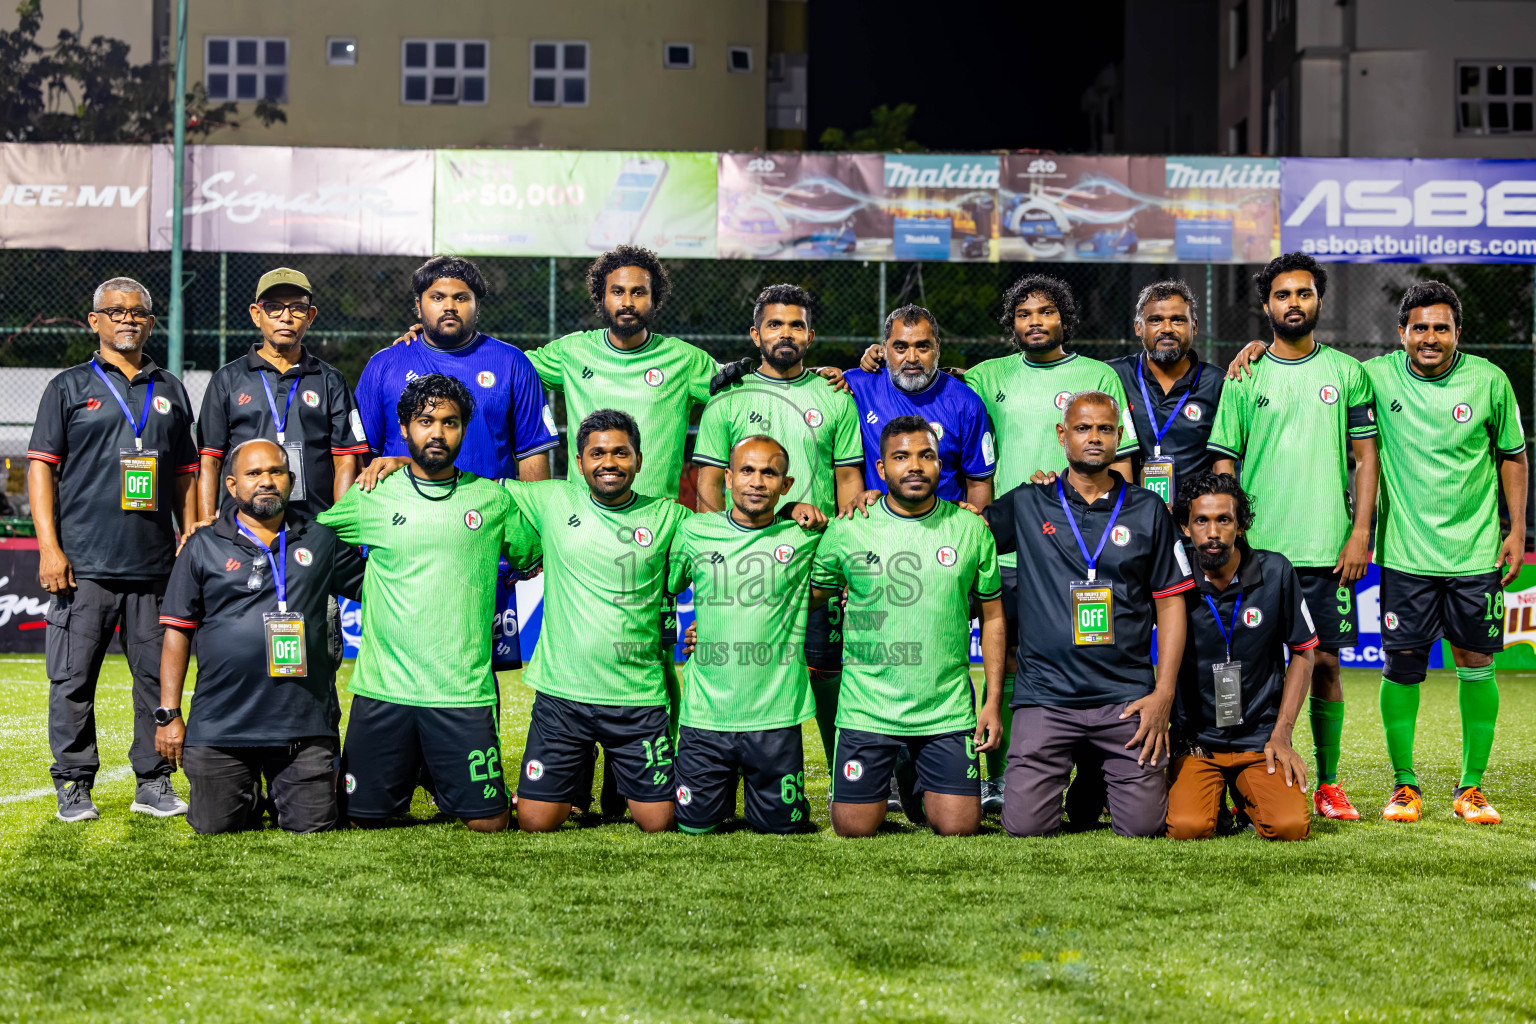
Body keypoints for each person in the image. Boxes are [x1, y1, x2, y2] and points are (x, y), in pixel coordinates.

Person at [318, 373, 540, 833]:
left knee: (490, 824)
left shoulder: (492, 499)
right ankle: (413, 768)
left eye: (450, 422)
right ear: (404, 428)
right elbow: (314, 543)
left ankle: (433, 770)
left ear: (464, 429)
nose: (437, 432)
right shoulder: (372, 495)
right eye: (425, 421)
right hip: (384, 690)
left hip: (459, 692)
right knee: (363, 820)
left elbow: (531, 556)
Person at [1210, 252, 1379, 821]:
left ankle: (1329, 782)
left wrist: (1360, 532)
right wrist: (1233, 544)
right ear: (1266, 305)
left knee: (1327, 664)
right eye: (1283, 295)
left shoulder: (1347, 373)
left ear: (1318, 301)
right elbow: (1225, 465)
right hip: (1259, 554)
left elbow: (1365, 457)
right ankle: (1236, 776)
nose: (1294, 303)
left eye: (1304, 293)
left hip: (1327, 551)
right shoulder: (1244, 373)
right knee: (1249, 667)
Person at [963, 275, 1139, 810]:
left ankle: (1091, 782)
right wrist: (866, 365)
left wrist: (1114, 537)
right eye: (1023, 314)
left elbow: (1123, 462)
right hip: (1008, 546)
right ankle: (999, 778)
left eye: (1045, 311)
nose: (1034, 321)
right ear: (1011, 323)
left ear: (1064, 317)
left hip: (1076, 550)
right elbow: (930, 388)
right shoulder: (985, 376)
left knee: (1084, 658)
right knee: (1008, 661)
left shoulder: (1096, 374)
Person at [27, 276, 200, 823]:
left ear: (151, 322)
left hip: (155, 569)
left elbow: (187, 474)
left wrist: (192, 535)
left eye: (139, 312)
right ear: (94, 321)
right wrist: (49, 548)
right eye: (116, 311)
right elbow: (41, 469)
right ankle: (74, 784)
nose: (128, 319)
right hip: (83, 568)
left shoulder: (170, 387)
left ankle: (153, 781)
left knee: (155, 680)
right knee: (73, 682)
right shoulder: (68, 387)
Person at [984, 391, 1192, 838]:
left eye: (1104, 429)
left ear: (1119, 436)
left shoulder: (1148, 509)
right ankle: (1087, 768)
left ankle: (1095, 775)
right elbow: (966, 529)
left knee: (1143, 828)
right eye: (1082, 428)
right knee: (1025, 828)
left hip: (1125, 698)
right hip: (1047, 696)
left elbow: (1171, 603)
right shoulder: (1028, 501)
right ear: (1063, 435)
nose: (1093, 438)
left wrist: (1163, 694)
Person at [1365, 281, 1526, 825]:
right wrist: (1255, 349)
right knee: (1402, 666)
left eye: (1441, 328)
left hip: (1475, 554)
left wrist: (1517, 528)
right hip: (1405, 555)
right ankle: (1405, 785)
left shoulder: (1490, 381)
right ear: (1401, 333)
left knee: (1476, 662)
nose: (1430, 338)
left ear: (1458, 332)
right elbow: (1318, 370)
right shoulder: (1375, 376)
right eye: (1419, 328)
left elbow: (1513, 457)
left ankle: (1471, 788)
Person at [692, 283, 864, 784]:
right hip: (743, 565)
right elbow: (707, 489)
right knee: (741, 669)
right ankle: (724, 775)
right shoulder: (727, 400)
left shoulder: (836, 397)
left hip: (818, 565)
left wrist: (848, 555)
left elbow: (849, 484)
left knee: (830, 675)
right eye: (774, 324)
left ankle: (848, 779)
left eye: (795, 325)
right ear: (755, 333)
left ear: (811, 335)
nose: (784, 333)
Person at [155, 439, 366, 834]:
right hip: (222, 729)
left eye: (276, 472)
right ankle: (248, 794)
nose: (266, 481)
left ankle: (278, 791)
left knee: (313, 829)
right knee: (216, 829)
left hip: (304, 728)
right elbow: (176, 634)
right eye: (254, 474)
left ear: (292, 481)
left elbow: (380, 587)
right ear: (232, 486)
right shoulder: (201, 545)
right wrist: (168, 715)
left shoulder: (321, 539)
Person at [810, 416, 1006, 837]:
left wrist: (990, 702)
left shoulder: (971, 529)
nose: (914, 466)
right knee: (852, 828)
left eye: (926, 456)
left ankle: (917, 776)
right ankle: (899, 761)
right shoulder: (847, 529)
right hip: (868, 707)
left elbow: (993, 617)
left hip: (945, 710)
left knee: (959, 827)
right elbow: (806, 596)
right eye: (901, 457)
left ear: (940, 464)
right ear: (881, 470)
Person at [668, 435, 826, 834]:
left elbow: (845, 562)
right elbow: (662, 587)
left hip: (775, 716)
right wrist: (689, 631)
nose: (757, 481)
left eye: (769, 473)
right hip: (707, 714)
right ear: (727, 477)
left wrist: (795, 511)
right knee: (693, 826)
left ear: (785, 485)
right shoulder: (694, 532)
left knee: (780, 829)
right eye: (747, 471)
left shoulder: (806, 536)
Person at [1165, 473, 1318, 842]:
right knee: (1187, 828)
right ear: (1186, 526)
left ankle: (1247, 796)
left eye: (1224, 520)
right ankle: (1216, 803)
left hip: (1259, 742)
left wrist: (1282, 733)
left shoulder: (1276, 571)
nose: (1212, 532)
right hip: (1197, 744)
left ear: (1242, 525)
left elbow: (1304, 651)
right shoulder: (1171, 574)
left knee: (1289, 827)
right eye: (1202, 520)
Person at [353, 255, 557, 485]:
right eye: (437, 297)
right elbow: (362, 453)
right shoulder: (383, 365)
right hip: (404, 513)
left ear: (477, 306)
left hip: (487, 513)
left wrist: (534, 517)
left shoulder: (512, 363)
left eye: (461, 298)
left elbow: (532, 452)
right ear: (419, 306)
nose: (449, 307)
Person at [195, 268, 368, 520]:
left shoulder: (330, 380)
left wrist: (337, 527)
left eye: (297, 308)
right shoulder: (227, 379)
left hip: (313, 525)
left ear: (310, 316)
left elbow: (345, 461)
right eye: (274, 307)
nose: (286, 317)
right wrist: (206, 525)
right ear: (256, 314)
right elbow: (210, 461)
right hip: (243, 529)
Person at [840, 304, 995, 508]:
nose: (912, 358)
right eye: (901, 347)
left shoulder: (966, 403)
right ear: (885, 349)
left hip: (941, 528)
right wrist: (824, 369)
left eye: (922, 346)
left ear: (937, 348)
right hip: (877, 529)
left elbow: (978, 482)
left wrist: (975, 531)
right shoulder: (857, 386)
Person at [1104, 281, 1225, 504]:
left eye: (1178, 320)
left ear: (1195, 326)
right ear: (1138, 327)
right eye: (1156, 320)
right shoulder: (1113, 376)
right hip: (1134, 519)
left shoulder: (1218, 382)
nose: (1167, 328)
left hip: (1194, 522)